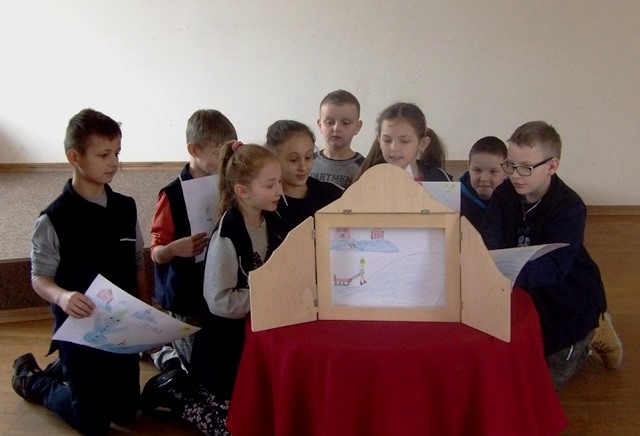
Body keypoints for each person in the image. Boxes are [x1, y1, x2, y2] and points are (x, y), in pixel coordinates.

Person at [11, 108, 151, 434]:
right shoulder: (53, 218)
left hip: (120, 328)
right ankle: (34, 381)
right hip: (80, 333)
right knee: (92, 422)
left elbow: (138, 262)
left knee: (126, 412)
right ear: (74, 157)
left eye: (117, 153)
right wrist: (62, 296)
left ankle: (65, 370)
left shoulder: (125, 207)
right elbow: (39, 277)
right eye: (103, 154)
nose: (113, 162)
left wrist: (146, 309)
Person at [141, 141, 284, 435]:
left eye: (279, 182)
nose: (280, 191)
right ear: (242, 190)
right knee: (228, 429)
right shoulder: (227, 235)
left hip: (252, 336)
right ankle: (173, 392)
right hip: (224, 346)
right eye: (270, 185)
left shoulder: (271, 219)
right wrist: (266, 297)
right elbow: (219, 301)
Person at [481, 121, 623, 391]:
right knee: (506, 369)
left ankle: (595, 330)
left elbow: (556, 267)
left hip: (568, 299)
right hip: (522, 286)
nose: (515, 175)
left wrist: (503, 273)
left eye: (526, 167)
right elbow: (490, 239)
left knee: (542, 387)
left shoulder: (570, 206)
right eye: (510, 165)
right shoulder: (504, 195)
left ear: (552, 166)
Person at [149, 109, 237, 373]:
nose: (223, 160)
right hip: (185, 291)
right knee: (192, 362)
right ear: (193, 150)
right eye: (217, 153)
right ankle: (163, 353)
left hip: (218, 284)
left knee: (217, 353)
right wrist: (174, 249)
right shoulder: (171, 194)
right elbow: (156, 251)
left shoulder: (229, 184)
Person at [265, 119, 343, 235]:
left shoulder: (333, 195)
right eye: (293, 160)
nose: (303, 167)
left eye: (308, 157)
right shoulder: (267, 204)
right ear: (274, 158)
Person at [356, 102, 451, 182]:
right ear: (379, 141)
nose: (394, 148)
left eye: (404, 141)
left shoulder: (439, 179)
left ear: (422, 143)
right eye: (387, 140)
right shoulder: (369, 179)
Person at [309, 89, 364, 188]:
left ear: (357, 127)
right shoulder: (306, 163)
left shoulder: (365, 167)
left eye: (345, 123)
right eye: (330, 122)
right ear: (320, 125)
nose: (336, 128)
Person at [460, 136, 508, 230]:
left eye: (493, 171)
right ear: (468, 167)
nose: (484, 178)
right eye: (477, 170)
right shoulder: (456, 201)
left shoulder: (514, 200)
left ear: (506, 170)